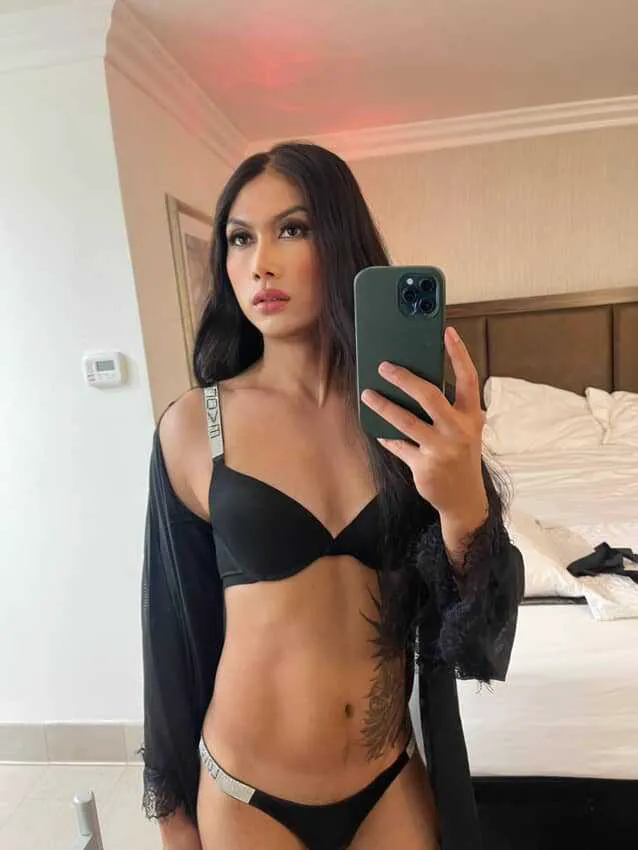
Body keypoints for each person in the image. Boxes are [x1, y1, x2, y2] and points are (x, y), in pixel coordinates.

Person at [139, 141, 524, 850]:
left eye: (293, 229)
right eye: (240, 239)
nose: (261, 263)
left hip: (388, 784)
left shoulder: (413, 420)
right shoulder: (195, 427)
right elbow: (171, 637)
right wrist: (173, 816)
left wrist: (463, 503)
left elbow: (478, 643)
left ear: (343, 241)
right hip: (248, 797)